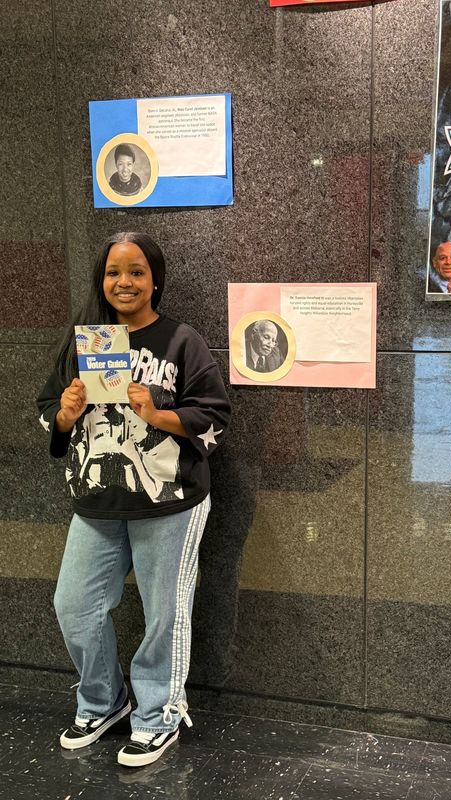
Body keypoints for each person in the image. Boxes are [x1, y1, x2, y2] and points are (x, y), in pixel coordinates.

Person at [37, 232, 231, 768]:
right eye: (114, 272)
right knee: (74, 606)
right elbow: (47, 409)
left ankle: (159, 714)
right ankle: (104, 700)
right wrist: (66, 413)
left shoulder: (180, 341)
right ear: (102, 279)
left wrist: (158, 415)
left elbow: (215, 416)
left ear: (155, 280)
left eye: (137, 271)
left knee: (164, 613)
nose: (125, 282)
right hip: (97, 501)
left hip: (169, 501)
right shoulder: (85, 342)